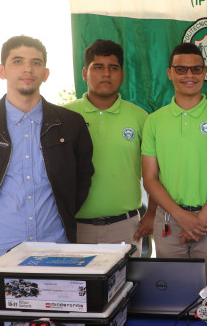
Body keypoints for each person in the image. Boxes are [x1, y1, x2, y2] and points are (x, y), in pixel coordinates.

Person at [0, 35, 94, 309]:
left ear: (45, 73)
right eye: (17, 61)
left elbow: (82, 178)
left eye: (36, 62)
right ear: (1, 70)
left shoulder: (70, 125)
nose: (27, 69)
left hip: (56, 252)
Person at [138, 43, 207, 284]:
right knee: (172, 293)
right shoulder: (154, 121)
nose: (189, 75)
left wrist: (200, 220)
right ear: (170, 73)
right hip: (169, 220)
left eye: (195, 69)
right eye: (181, 69)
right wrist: (182, 217)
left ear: (205, 73)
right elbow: (150, 178)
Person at [64, 40, 153, 255]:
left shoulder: (140, 117)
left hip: (125, 227)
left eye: (113, 68)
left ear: (122, 75)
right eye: (98, 67)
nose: (106, 74)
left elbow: (155, 174)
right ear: (84, 73)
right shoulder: (64, 116)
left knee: (127, 279)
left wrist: (152, 213)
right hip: (76, 228)